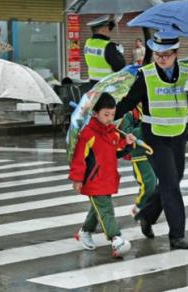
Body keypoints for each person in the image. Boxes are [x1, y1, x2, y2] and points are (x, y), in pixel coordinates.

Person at [115, 32, 188, 250]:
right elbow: (129, 101)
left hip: (178, 134)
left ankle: (146, 215)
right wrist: (108, 114)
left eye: (166, 55)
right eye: (158, 55)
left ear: (176, 54)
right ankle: (177, 235)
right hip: (155, 137)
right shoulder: (145, 75)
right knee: (170, 184)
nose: (161, 59)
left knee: (175, 179)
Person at [69, 92, 136, 258]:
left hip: (108, 177)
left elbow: (116, 151)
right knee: (106, 210)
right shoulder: (87, 134)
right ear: (95, 113)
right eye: (106, 115)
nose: (110, 118)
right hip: (93, 180)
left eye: (112, 114)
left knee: (98, 208)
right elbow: (79, 158)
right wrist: (77, 179)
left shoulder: (113, 133)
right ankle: (116, 238)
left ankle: (85, 231)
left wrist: (126, 143)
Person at [119, 105, 157, 220]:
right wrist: (146, 128)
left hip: (155, 150)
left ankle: (146, 210)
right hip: (139, 153)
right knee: (148, 182)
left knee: (155, 184)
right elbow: (125, 133)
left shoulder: (152, 107)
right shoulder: (130, 113)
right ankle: (139, 207)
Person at [83, 15, 125, 85]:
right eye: (108, 28)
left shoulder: (88, 43)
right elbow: (120, 67)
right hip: (107, 85)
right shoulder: (109, 46)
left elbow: (100, 36)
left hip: (93, 84)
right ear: (102, 30)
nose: (109, 30)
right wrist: (120, 53)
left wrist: (114, 22)